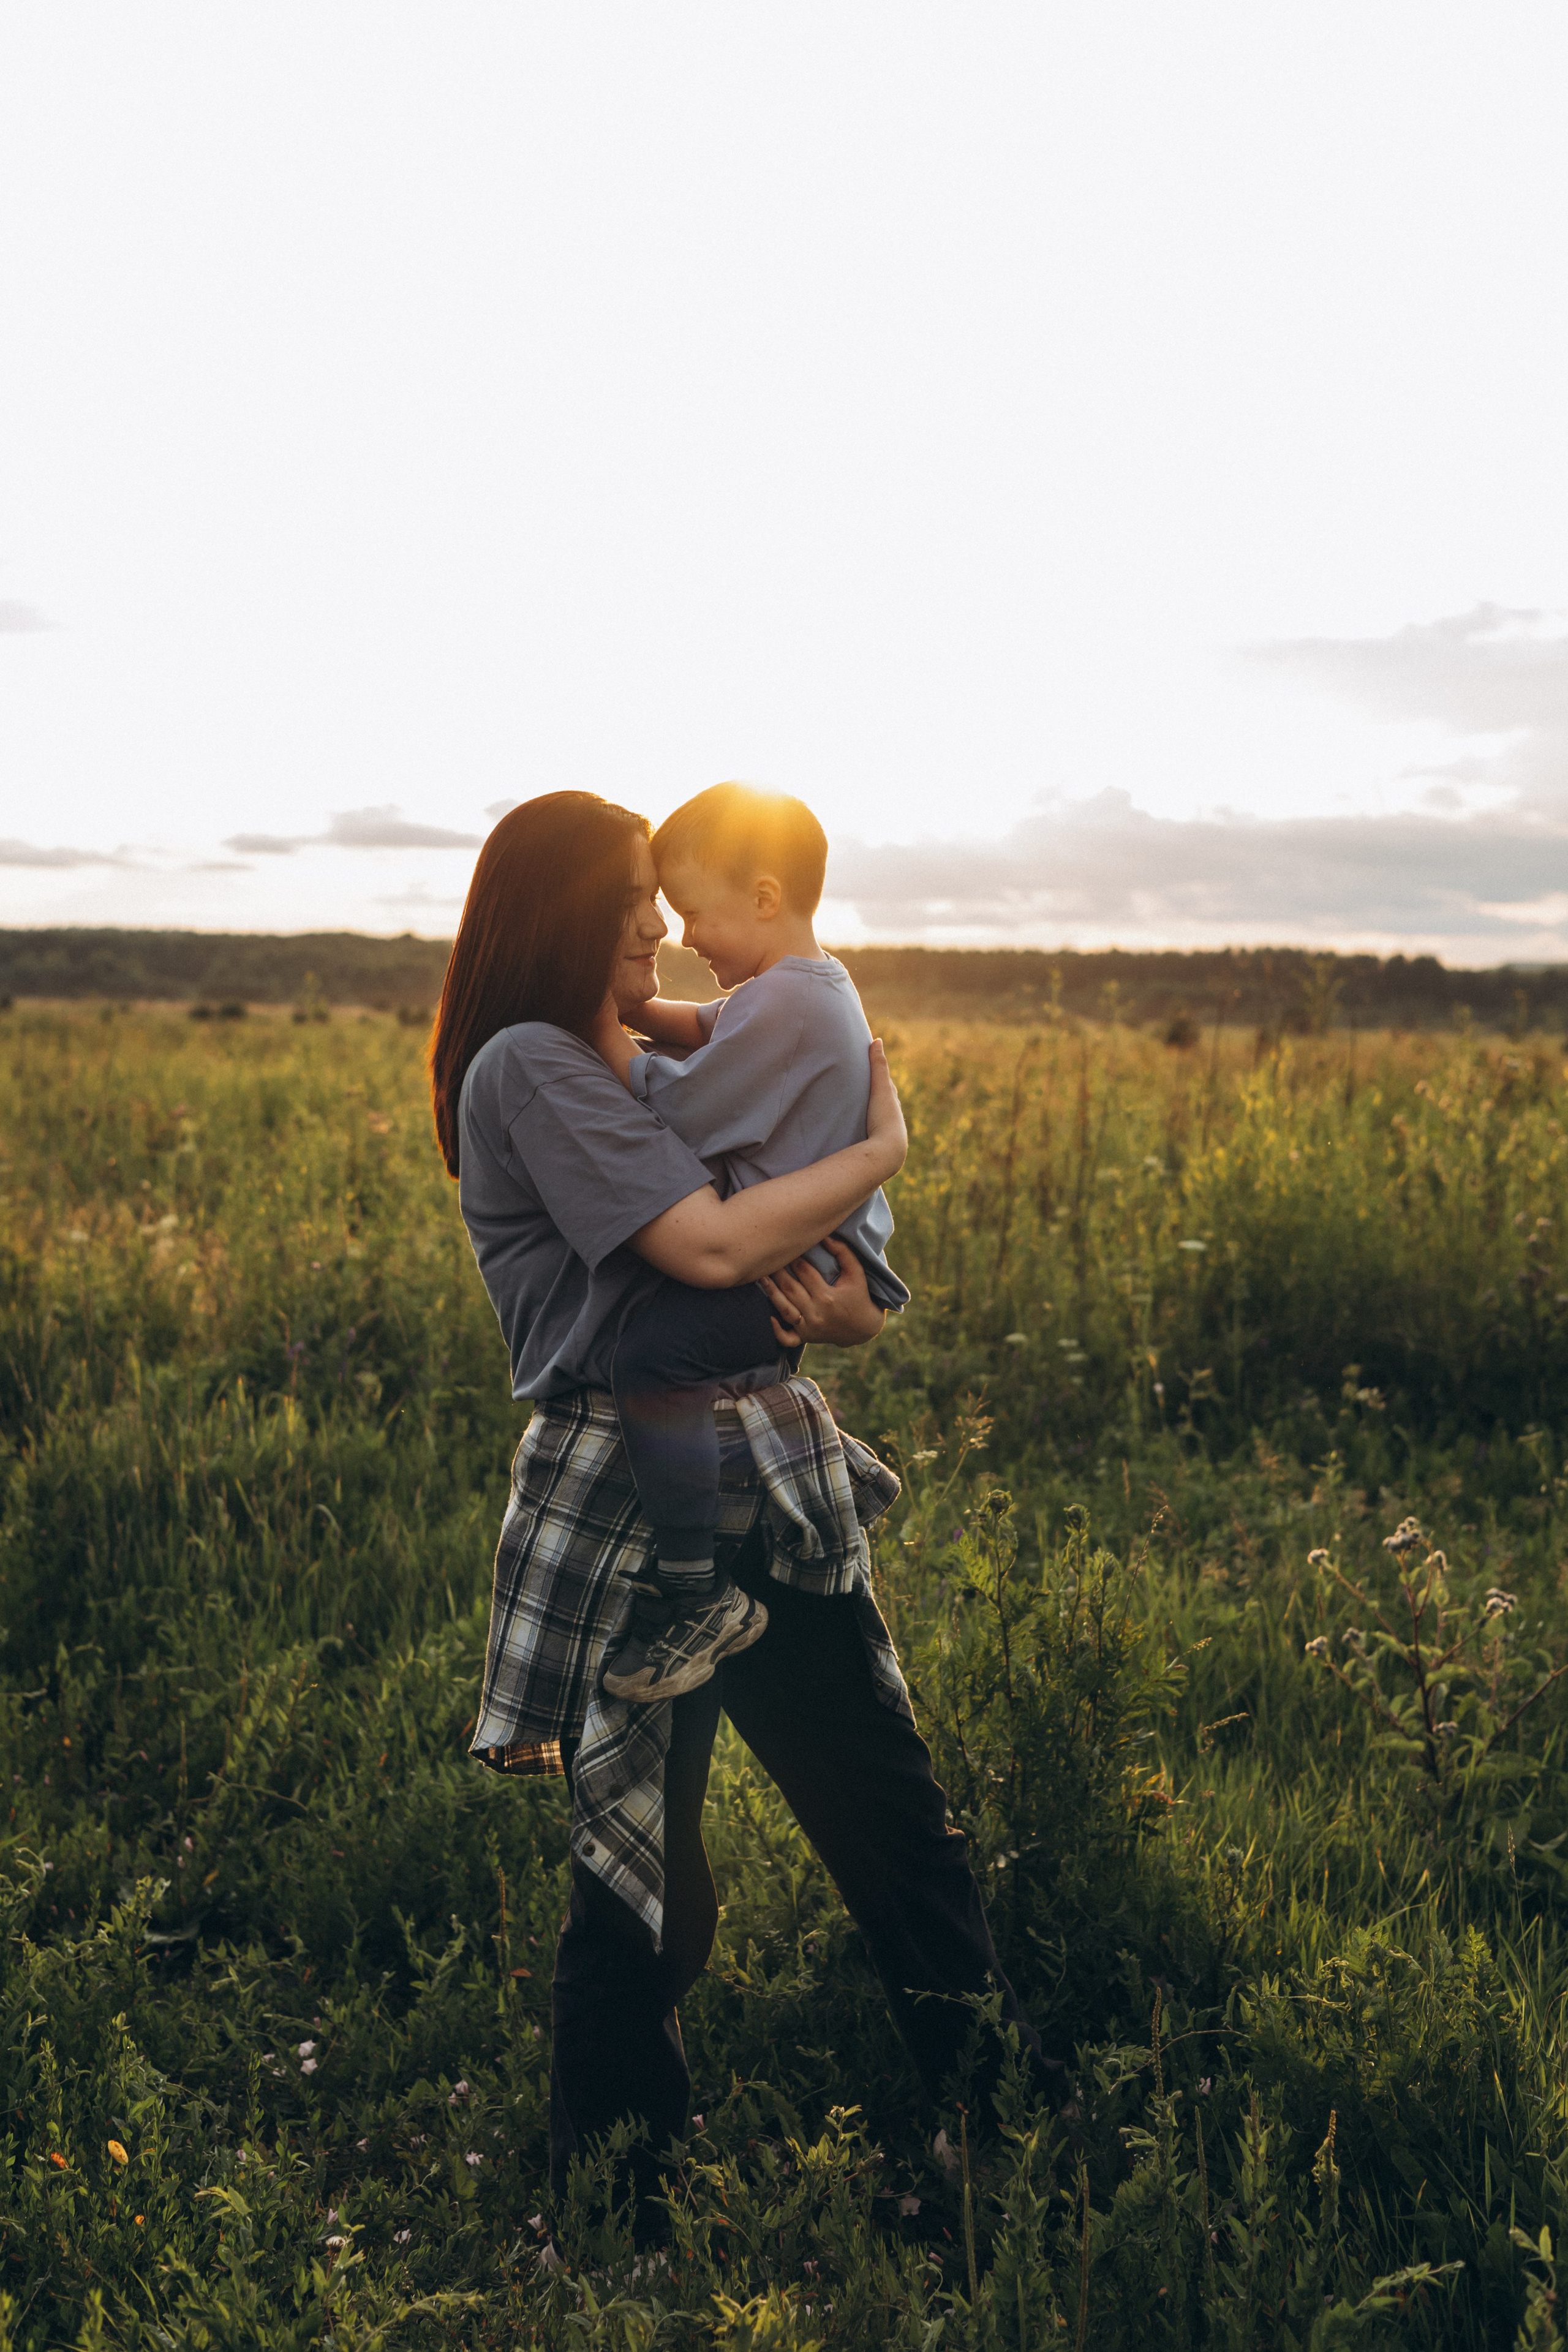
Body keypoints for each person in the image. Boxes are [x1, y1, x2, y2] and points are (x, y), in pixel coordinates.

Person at [432, 789, 1055, 2233]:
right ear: (561, 916)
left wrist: (850, 1314)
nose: (658, 924)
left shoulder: (633, 1055)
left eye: (665, 896)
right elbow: (709, 1246)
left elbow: (775, 1246)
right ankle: (618, 2205)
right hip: (629, 1499)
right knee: (643, 1878)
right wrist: (879, 1152)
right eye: (628, 901)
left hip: (762, 1466)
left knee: (887, 1822)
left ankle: (1001, 2136)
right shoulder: (530, 1066)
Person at [592, 780, 910, 1706]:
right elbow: (706, 1029)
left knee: (651, 1356)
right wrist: (640, 1013)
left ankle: (695, 1589)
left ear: (765, 898)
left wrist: (597, 1034)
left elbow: (684, 1104)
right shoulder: (807, 986)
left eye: (694, 912)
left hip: (789, 1269)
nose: (683, 936)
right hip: (803, 1261)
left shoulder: (785, 1005)